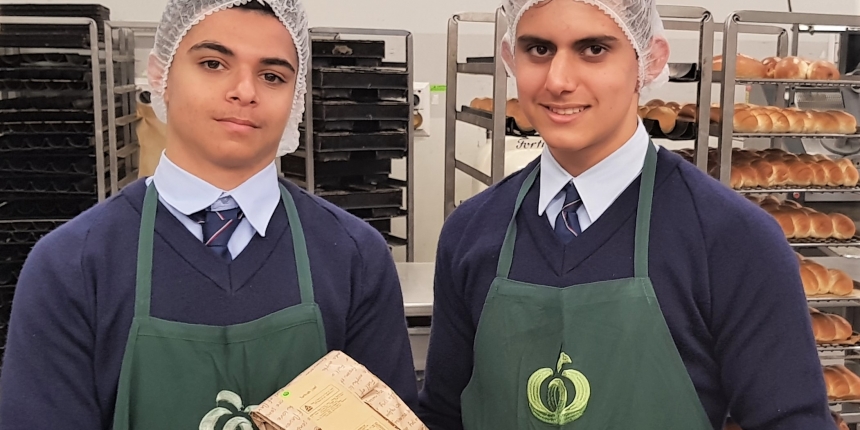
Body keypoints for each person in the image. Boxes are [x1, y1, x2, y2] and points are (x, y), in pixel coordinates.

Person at [417, 0, 834, 429]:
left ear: (647, 61)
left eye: (593, 49)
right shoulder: (471, 231)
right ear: (511, 58)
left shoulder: (731, 237)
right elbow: (444, 415)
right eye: (539, 50)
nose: (558, 81)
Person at [0, 0, 417, 428]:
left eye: (272, 76)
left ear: (297, 98)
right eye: (213, 64)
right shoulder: (71, 265)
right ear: (161, 76)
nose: (244, 91)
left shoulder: (354, 256)